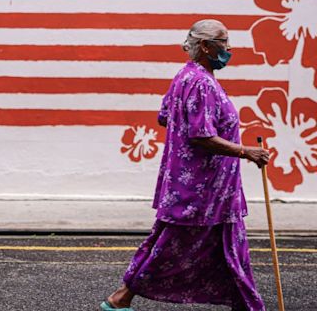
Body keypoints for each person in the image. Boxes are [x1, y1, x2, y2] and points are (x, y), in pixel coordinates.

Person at [100, 19, 269, 311]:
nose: (229, 48)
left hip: (211, 191)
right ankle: (121, 297)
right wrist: (246, 152)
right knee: (169, 248)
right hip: (201, 191)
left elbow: (165, 116)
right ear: (205, 46)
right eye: (223, 41)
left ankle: (247, 305)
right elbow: (200, 134)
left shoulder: (186, 76)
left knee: (228, 249)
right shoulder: (201, 83)